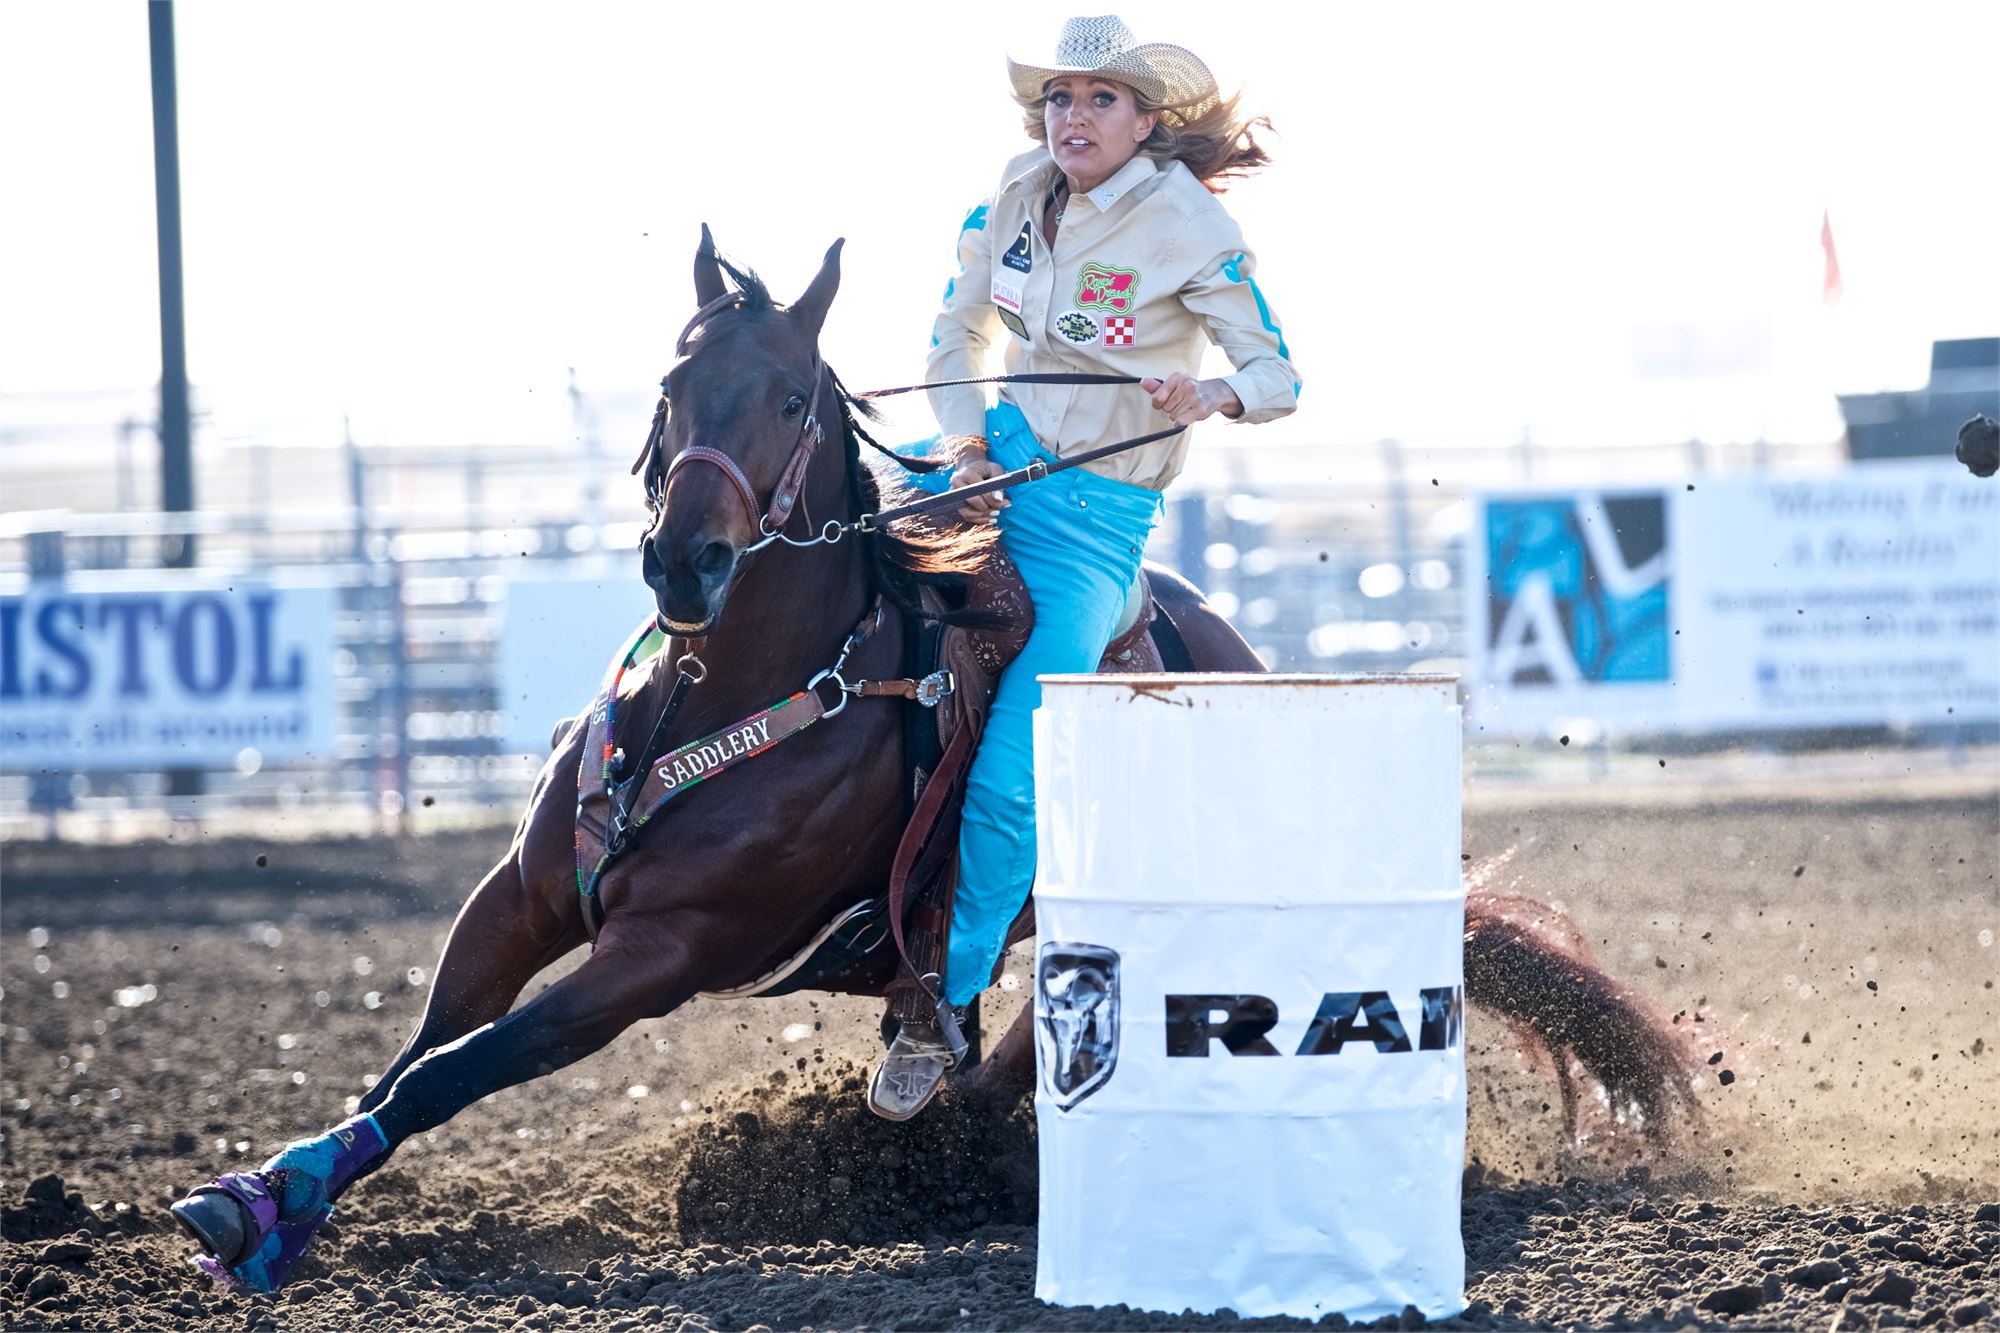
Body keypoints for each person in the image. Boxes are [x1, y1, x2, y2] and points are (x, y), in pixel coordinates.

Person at [868, 14, 1301, 1119]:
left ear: (1147, 122)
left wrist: (1209, 392)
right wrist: (963, 443)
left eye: (1100, 100)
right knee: (831, 567)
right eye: (1060, 98)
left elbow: (1275, 370)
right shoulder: (1013, 191)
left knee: (1014, 773)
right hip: (986, 463)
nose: (1073, 116)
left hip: (1092, 527)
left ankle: (942, 1006)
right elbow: (952, 333)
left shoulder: (1185, 221)